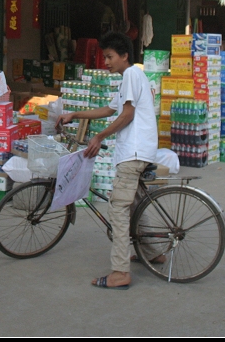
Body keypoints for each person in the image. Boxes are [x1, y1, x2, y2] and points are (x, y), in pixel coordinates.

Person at [57, 31, 160, 290]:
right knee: (134, 204)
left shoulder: (132, 75)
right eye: (105, 57)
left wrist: (99, 136)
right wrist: (75, 115)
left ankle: (120, 272)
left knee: (118, 209)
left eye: (110, 57)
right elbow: (109, 109)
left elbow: (127, 115)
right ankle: (153, 252)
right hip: (138, 150)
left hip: (134, 152)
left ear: (124, 56)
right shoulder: (130, 78)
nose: (106, 62)